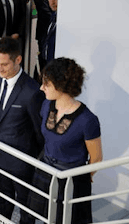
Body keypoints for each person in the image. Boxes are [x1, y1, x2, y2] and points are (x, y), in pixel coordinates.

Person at [28, 58, 103, 223]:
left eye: (46, 84)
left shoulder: (87, 120)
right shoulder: (47, 105)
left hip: (71, 178)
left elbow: (96, 158)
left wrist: (80, 177)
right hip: (45, 169)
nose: (41, 87)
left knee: (65, 219)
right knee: (36, 215)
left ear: (61, 85)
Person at [0, 37, 44, 223]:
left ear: (18, 60)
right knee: (3, 201)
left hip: (21, 162)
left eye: (4, 64)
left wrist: (34, 160)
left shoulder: (33, 91)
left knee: (26, 207)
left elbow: (39, 131)